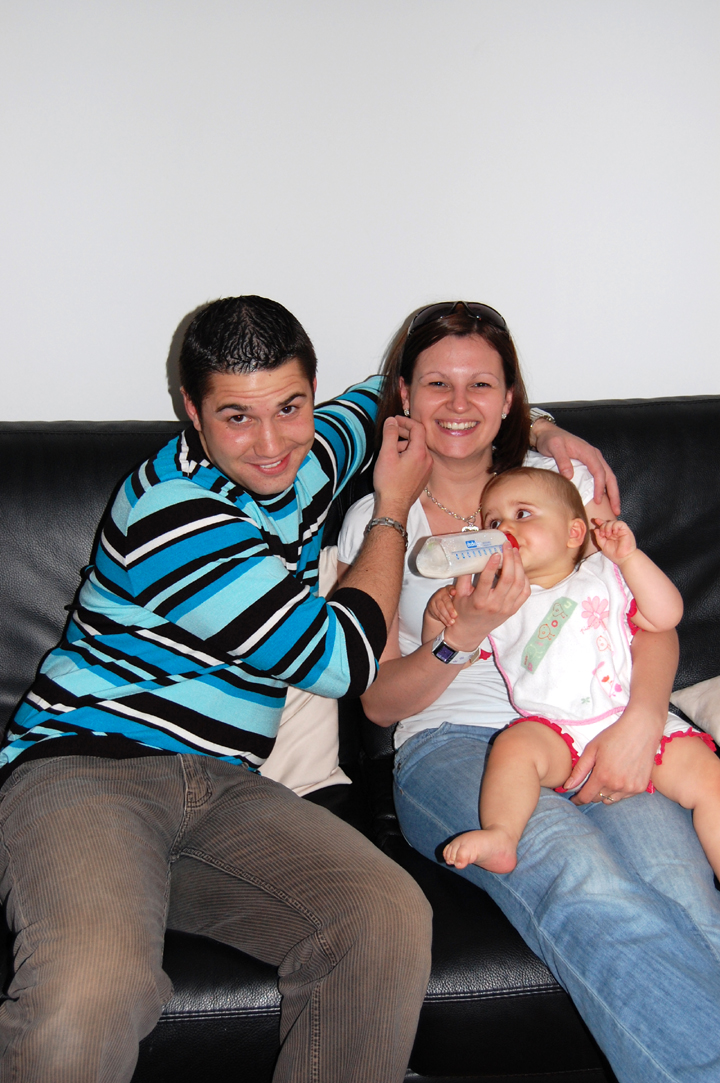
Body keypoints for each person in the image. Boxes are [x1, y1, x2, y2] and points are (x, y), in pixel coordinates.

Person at [0, 295, 437, 1083]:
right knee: (94, 986)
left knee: (382, 915)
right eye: (237, 416)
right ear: (192, 412)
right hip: (87, 769)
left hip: (226, 787)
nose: (271, 445)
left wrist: (538, 425)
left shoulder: (313, 448)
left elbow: (400, 387)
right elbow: (342, 660)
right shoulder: (174, 513)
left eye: (289, 407)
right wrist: (392, 510)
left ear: (310, 394)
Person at [337, 300, 720, 1083]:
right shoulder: (379, 522)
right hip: (456, 746)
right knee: (587, 883)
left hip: (604, 722)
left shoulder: (562, 486)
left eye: (481, 383)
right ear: (403, 393)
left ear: (510, 396)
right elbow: (378, 702)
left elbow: (645, 619)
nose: (458, 403)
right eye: (436, 383)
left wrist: (643, 721)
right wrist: (462, 634)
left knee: (687, 898)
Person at [422, 467, 719, 876]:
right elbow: (457, 657)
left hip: (630, 719)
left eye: (522, 514)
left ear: (574, 532)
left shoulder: (603, 575)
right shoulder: (497, 603)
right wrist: (441, 615)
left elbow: (666, 616)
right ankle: (502, 834)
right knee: (513, 747)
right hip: (557, 733)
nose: (504, 528)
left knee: (710, 780)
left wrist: (630, 558)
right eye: (493, 522)